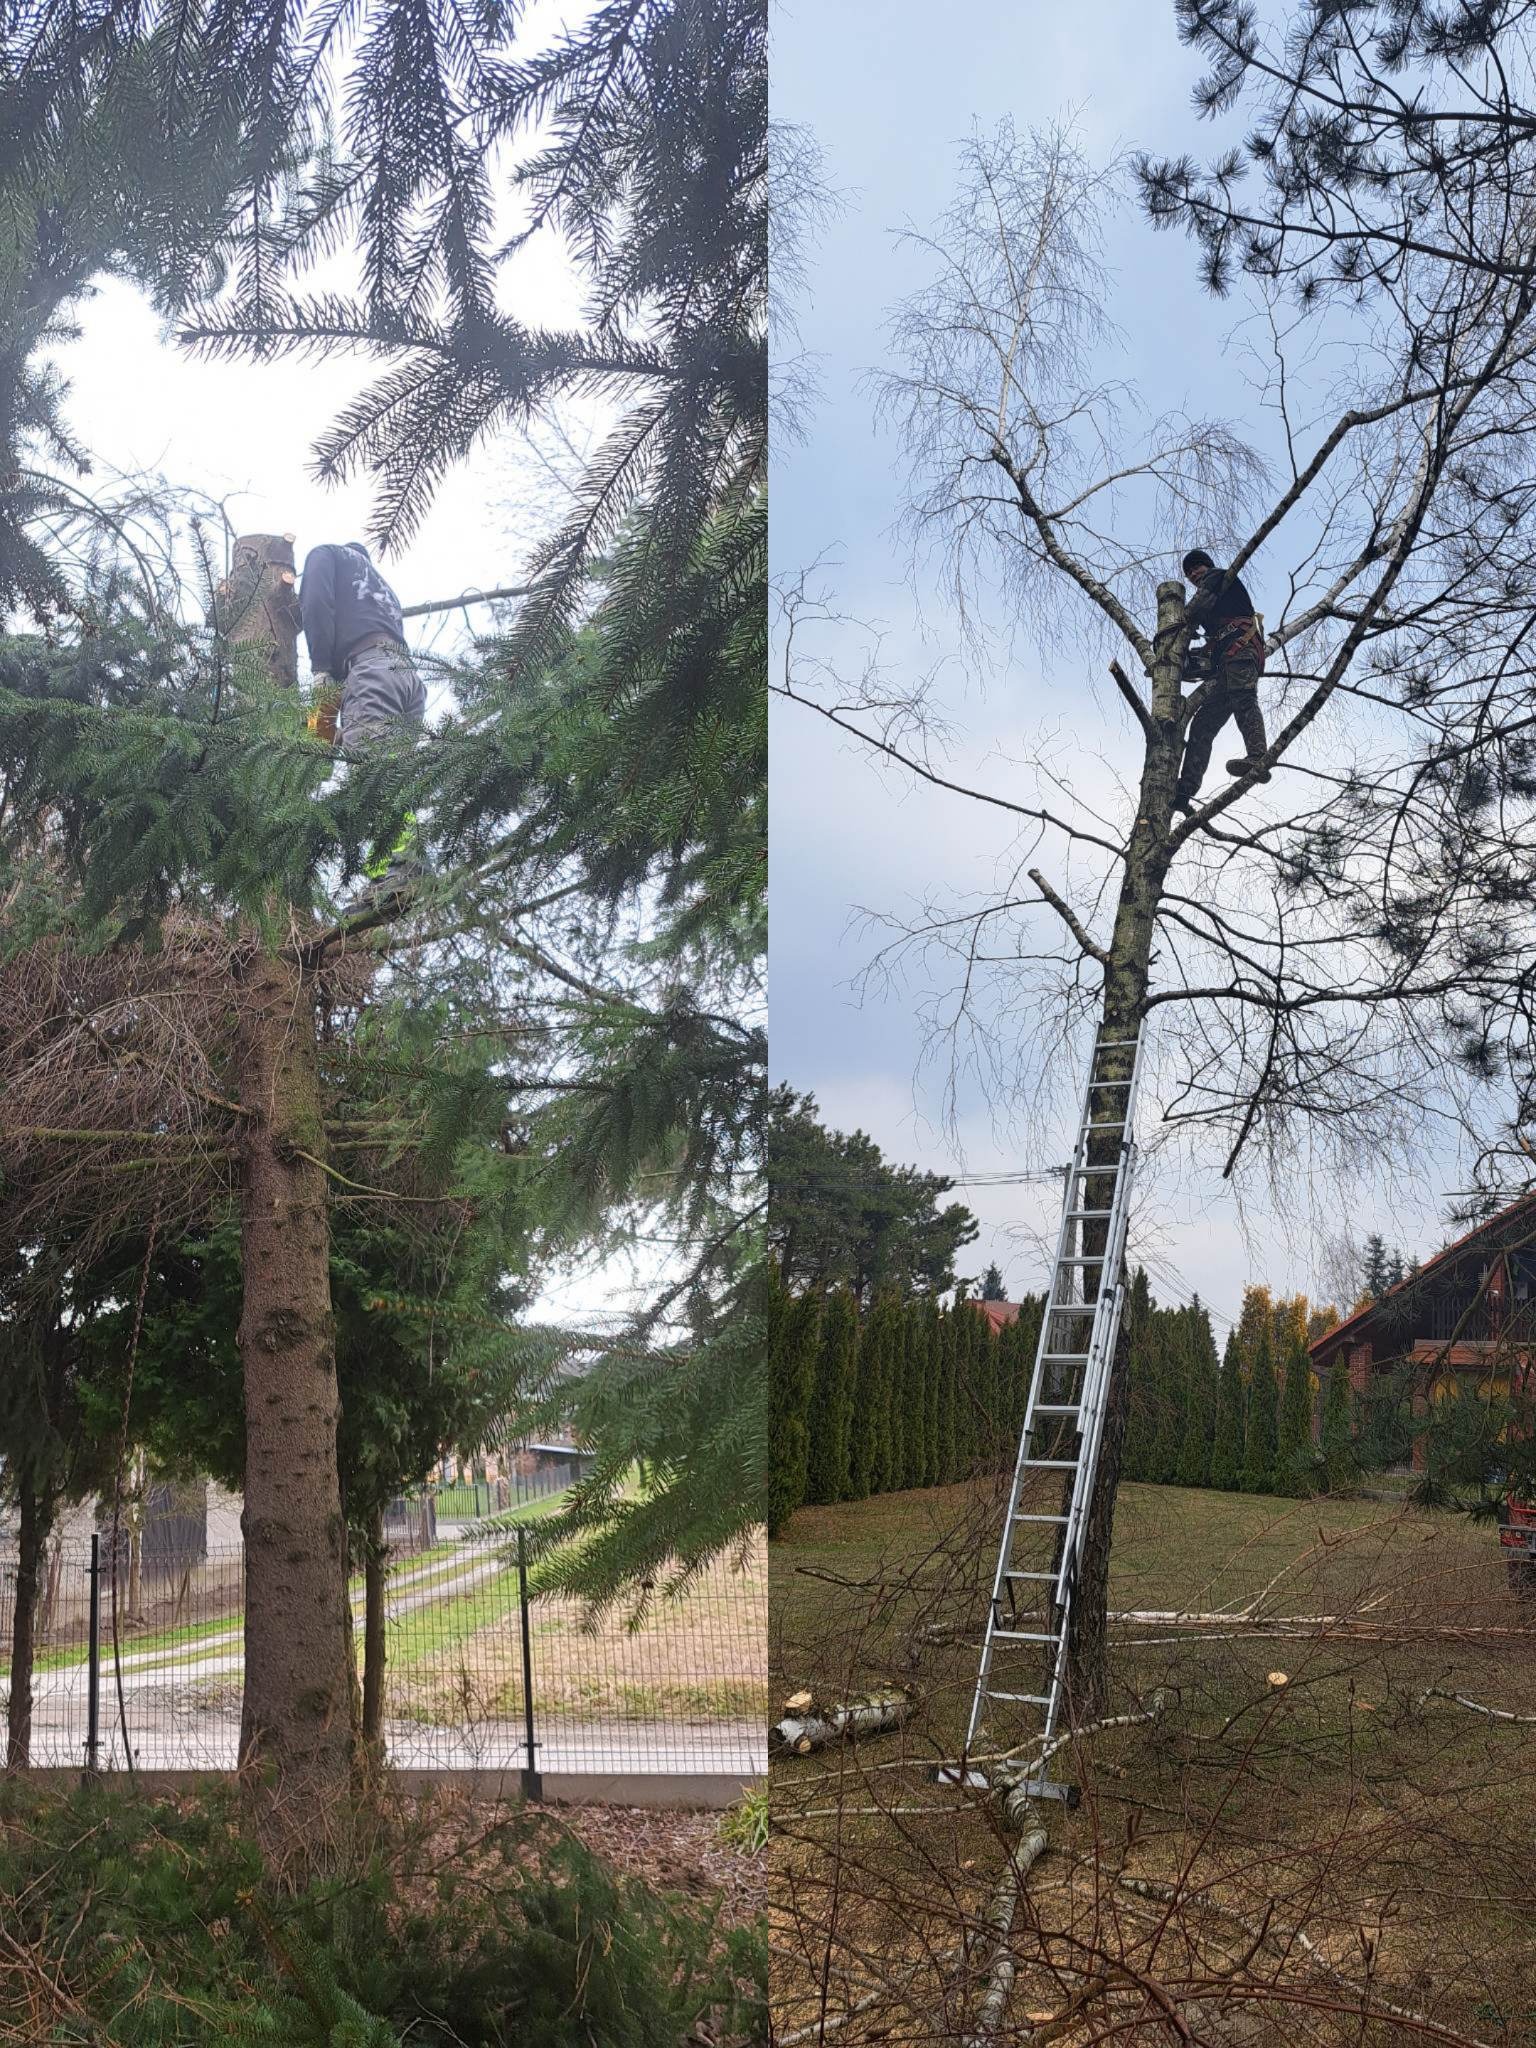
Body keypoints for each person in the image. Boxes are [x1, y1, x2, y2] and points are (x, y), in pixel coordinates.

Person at [299, 540, 426, 896]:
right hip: (406, 679)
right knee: (389, 771)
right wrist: (328, 734)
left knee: (373, 776)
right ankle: (383, 880)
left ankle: (402, 870)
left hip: (370, 668)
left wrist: (321, 667)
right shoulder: (378, 588)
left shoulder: (325, 554)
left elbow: (316, 605)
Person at [1172, 548, 1270, 814]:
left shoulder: (1217, 577)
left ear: (1207, 566)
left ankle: (1258, 757)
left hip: (1241, 652)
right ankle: (1184, 790)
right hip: (1226, 663)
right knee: (1202, 725)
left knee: (1244, 701)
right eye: (1190, 572)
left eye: (1196, 568)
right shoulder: (1214, 610)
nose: (1194, 574)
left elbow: (1196, 608)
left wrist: (1177, 626)